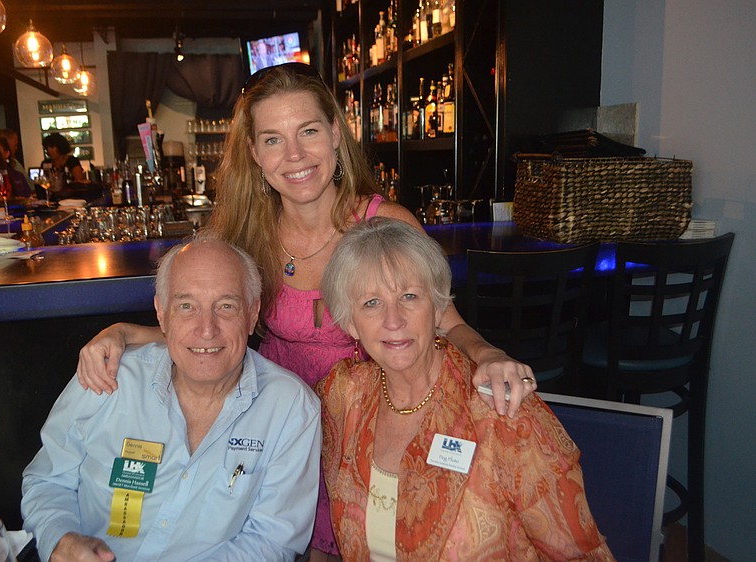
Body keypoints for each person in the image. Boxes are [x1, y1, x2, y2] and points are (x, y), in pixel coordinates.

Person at [76, 62, 535, 561]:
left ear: (337, 133)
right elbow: (213, 331)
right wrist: (127, 333)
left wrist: (487, 353)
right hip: (274, 423)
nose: (294, 155)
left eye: (309, 131)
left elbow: (439, 316)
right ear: (254, 153)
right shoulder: (246, 234)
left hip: (367, 420)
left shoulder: (384, 223)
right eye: (273, 139)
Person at [316, 217, 615, 561]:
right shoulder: (343, 397)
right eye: (371, 303)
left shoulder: (501, 410)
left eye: (409, 296)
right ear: (351, 323)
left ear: (439, 307)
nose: (393, 320)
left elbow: (582, 555)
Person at [21, 235, 321, 562]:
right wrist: (61, 539)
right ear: (161, 314)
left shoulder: (290, 409)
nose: (207, 329)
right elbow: (47, 480)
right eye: (186, 306)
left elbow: (271, 541)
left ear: (252, 314)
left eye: (226, 306)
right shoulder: (107, 377)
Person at [0, 128, 36, 193]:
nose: (16, 148)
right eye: (15, 145)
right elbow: (31, 188)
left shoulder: (14, 164)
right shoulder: (14, 165)